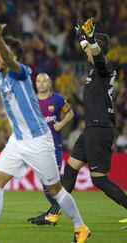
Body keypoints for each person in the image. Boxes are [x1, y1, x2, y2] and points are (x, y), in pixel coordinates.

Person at [0, 9, 90, 243]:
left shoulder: (21, 73)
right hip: (18, 141)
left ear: (10, 56)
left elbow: (8, 60)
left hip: (39, 141)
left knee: (55, 191)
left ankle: (80, 228)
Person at [45, 17, 127, 225]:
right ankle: (52, 214)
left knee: (98, 178)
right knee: (70, 170)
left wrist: (89, 38)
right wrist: (81, 36)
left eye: (89, 47)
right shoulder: (95, 68)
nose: (85, 51)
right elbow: (89, 50)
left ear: (96, 48)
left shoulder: (104, 68)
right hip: (91, 128)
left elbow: (97, 56)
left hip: (100, 128)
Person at [27, 72, 74, 225]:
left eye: (44, 81)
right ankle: (55, 211)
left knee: (53, 181)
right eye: (38, 81)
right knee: (46, 185)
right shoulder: (31, 100)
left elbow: (70, 113)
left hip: (54, 146)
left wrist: (61, 124)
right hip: (38, 147)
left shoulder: (58, 99)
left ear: (50, 84)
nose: (41, 84)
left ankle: (56, 213)